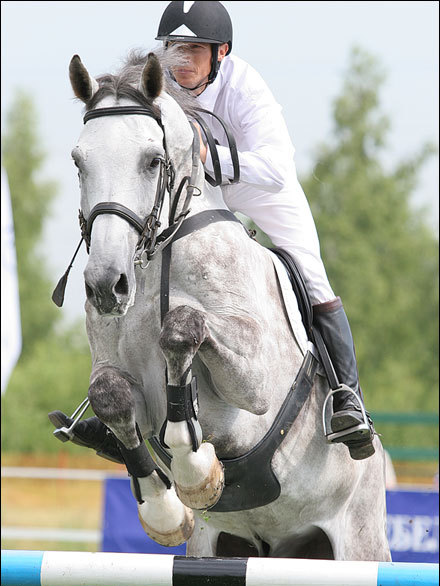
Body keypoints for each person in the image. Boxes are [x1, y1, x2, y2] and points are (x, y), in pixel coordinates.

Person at [49, 1, 376, 461]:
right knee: (136, 259)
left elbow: (277, 169)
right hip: (203, 196)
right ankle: (119, 400)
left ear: (220, 52)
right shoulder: (156, 89)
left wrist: (208, 159)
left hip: (262, 192)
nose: (181, 61)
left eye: (194, 51)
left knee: (312, 274)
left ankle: (347, 395)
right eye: (174, 48)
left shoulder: (247, 87)